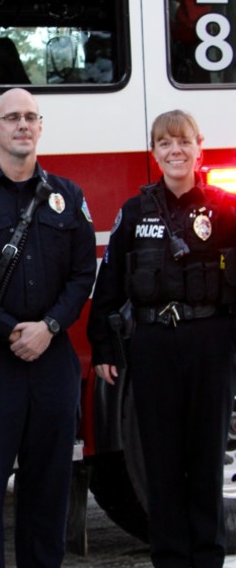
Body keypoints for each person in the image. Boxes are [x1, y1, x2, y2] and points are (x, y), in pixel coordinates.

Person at [0, 88, 96, 568]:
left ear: (40, 126)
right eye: (11, 118)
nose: (22, 125)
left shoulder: (67, 196)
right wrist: (10, 331)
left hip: (52, 360)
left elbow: (82, 274)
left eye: (30, 117)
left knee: (49, 482)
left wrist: (48, 327)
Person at [88, 110, 236, 568]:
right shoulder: (134, 212)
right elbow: (109, 283)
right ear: (154, 153)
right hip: (152, 345)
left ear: (199, 147)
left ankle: (208, 557)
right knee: (162, 461)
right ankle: (169, 558)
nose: (175, 151)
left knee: (207, 459)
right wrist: (104, 347)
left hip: (209, 342)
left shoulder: (224, 209)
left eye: (183, 142)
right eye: (165, 144)